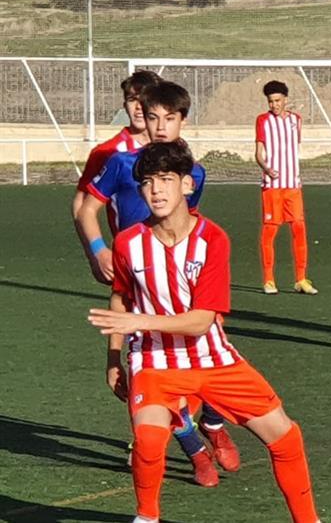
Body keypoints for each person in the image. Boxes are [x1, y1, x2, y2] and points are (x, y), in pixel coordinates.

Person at [87, 140, 320, 523]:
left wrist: (138, 323)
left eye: (165, 179)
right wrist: (114, 358)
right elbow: (121, 299)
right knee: (148, 440)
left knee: (285, 436)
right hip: (155, 361)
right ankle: (146, 518)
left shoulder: (213, 239)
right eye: (147, 182)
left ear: (187, 185)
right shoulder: (128, 243)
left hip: (213, 359)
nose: (155, 190)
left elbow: (200, 320)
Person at [73, 81, 240, 486]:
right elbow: (84, 208)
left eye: (169, 118)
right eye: (152, 117)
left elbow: (188, 224)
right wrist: (99, 250)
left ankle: (213, 422)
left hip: (183, 283)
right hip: (137, 283)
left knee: (212, 356)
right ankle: (195, 451)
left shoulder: (194, 172)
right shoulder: (120, 163)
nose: (160, 126)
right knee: (152, 373)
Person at [71, 69, 161, 258]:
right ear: (124, 105)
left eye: (144, 99)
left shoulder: (173, 148)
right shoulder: (107, 152)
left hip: (175, 254)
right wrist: (96, 253)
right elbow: (81, 204)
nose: (138, 107)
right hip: (131, 257)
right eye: (132, 100)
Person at [255, 80, 317, 295]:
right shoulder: (263, 121)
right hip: (273, 187)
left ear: (285, 100)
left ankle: (301, 279)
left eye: (277, 100)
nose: (274, 105)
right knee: (270, 231)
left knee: (299, 230)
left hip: (293, 186)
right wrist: (266, 168)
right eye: (271, 101)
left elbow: (292, 148)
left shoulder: (296, 120)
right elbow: (259, 153)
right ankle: (269, 280)